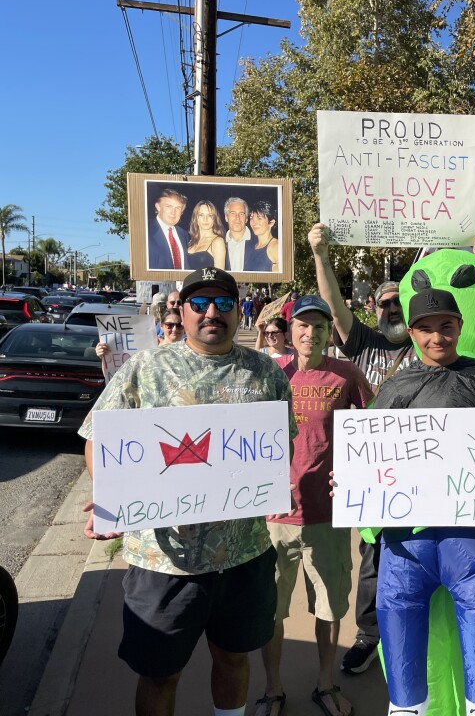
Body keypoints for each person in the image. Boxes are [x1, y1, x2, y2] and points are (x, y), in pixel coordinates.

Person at [79, 266, 297, 716]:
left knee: (234, 658)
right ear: (182, 310)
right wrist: (108, 496)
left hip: (244, 555)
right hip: (164, 562)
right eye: (199, 304)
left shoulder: (265, 373)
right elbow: (99, 439)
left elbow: (280, 445)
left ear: (240, 312)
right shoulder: (146, 367)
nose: (211, 312)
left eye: (222, 303)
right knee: (159, 674)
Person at [364, 286, 475, 715]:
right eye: (425, 329)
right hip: (408, 542)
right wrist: (351, 482)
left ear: (460, 326)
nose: (437, 337)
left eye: (446, 326)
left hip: (472, 538)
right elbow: (366, 455)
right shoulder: (395, 388)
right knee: (404, 664)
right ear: (411, 332)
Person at [308, 222, 418, 673]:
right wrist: (320, 255)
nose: (392, 308)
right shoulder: (362, 342)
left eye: (399, 302)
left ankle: (416, 634)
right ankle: (369, 635)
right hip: (370, 470)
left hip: (420, 463)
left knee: (417, 551)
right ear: (373, 309)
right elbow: (333, 303)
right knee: (371, 557)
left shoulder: (429, 342)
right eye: (385, 303)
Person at [255, 295, 372, 716]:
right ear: (289, 331)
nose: (311, 333)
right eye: (302, 325)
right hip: (272, 517)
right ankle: (272, 688)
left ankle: (325, 684)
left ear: (328, 332)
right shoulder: (268, 376)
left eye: (319, 326)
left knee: (329, 605)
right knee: (271, 610)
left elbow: (373, 432)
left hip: (328, 515)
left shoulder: (346, 375)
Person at [147, 189, 190, 270]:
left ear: (182, 211)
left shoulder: (184, 235)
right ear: (158, 207)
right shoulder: (145, 230)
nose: (173, 212)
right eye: (169, 206)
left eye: (178, 208)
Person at [186, 200, 228, 269]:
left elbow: (220, 275)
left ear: (214, 219)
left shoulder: (217, 242)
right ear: (196, 218)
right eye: (201, 215)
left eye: (210, 215)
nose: (205, 219)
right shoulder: (189, 241)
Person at [223, 197, 256, 272]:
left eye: (241, 214)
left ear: (246, 219)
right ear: (226, 217)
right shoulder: (219, 244)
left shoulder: (259, 242)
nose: (237, 218)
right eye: (233, 213)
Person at [247, 201, 279, 272]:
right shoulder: (250, 246)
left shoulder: (276, 246)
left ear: (271, 223)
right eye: (251, 217)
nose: (254, 222)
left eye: (259, 218)